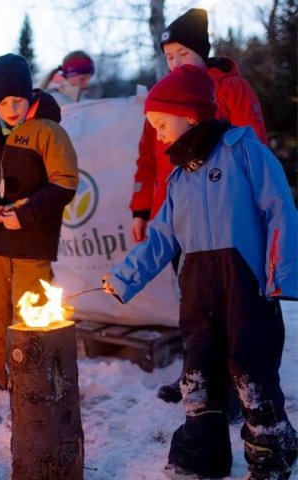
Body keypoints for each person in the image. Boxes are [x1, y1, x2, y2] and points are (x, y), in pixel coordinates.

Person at [103, 64, 298, 480]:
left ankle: (271, 453)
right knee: (199, 370)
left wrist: (280, 273)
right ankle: (201, 454)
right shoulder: (178, 179)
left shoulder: (242, 150)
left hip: (244, 285)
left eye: (160, 123)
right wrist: (123, 278)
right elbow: (159, 237)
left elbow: (280, 207)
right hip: (197, 289)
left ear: (189, 115)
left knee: (251, 370)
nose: (157, 134)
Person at [129, 8, 270, 403]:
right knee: (191, 300)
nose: (175, 63)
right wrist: (142, 209)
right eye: (169, 56)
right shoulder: (162, 101)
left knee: (228, 303)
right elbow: (146, 159)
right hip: (173, 216)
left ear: (202, 53)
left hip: (223, 220)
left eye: (183, 55)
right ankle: (198, 372)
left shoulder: (229, 90)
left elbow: (252, 149)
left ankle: (231, 380)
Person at [0, 54, 78, 390]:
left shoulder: (48, 131)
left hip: (32, 243)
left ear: (30, 96)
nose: (12, 108)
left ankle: (31, 383)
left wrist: (25, 214)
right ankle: (2, 377)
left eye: (18, 100)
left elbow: (65, 182)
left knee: (28, 317)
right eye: (3, 102)